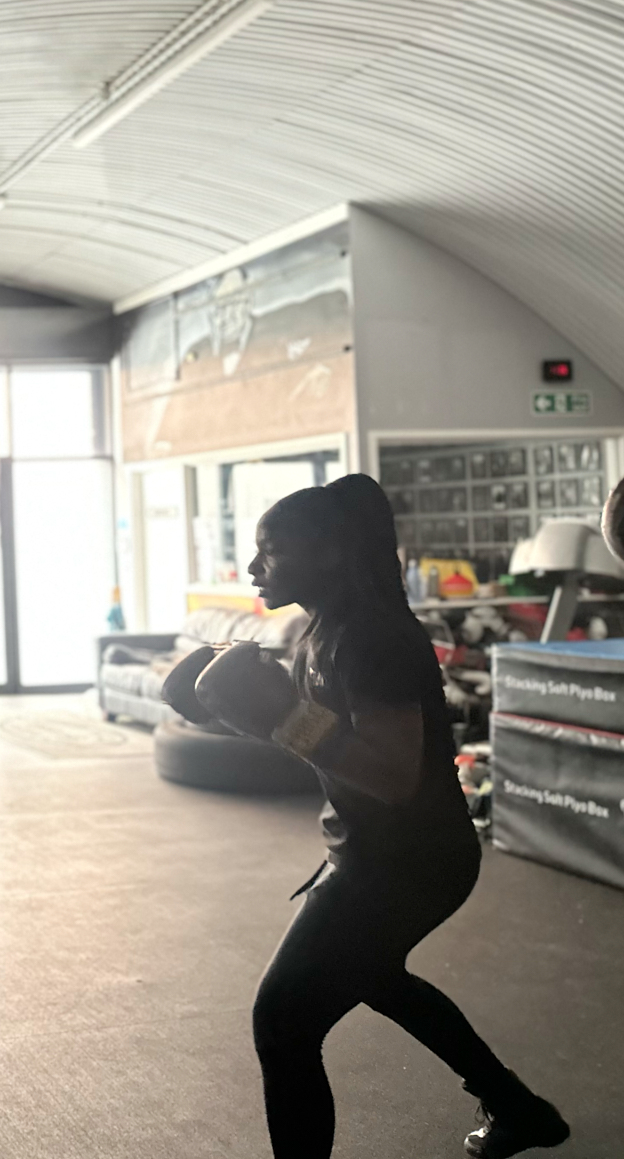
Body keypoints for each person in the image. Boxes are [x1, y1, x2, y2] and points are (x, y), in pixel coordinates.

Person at [168, 474, 568, 1159]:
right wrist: (233, 710)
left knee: (283, 1022)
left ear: (329, 552)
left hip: (411, 863)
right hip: (368, 851)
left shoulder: (374, 638)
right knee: (377, 977)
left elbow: (392, 775)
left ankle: (519, 1110)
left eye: (272, 550)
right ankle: (519, 1110)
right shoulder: (322, 632)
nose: (255, 567)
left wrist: (278, 717)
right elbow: (324, 739)